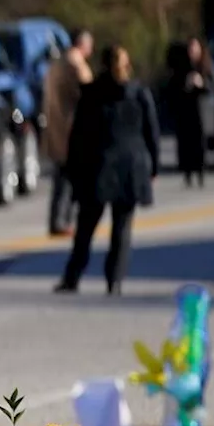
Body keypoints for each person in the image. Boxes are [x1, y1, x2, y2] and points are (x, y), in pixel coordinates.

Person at [54, 45, 159, 297]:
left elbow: (78, 136)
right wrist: (153, 166)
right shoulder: (139, 94)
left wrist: (72, 168)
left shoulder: (91, 95)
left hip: (97, 167)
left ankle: (73, 277)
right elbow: (151, 133)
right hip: (131, 168)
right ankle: (115, 281)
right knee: (122, 229)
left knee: (86, 227)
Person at [42, 28, 94, 236]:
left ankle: (58, 219)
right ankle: (63, 220)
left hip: (57, 127)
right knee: (70, 180)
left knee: (62, 178)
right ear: (83, 44)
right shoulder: (75, 64)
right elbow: (89, 94)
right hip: (72, 129)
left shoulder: (57, 63)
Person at [168, 36, 214, 188]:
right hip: (186, 110)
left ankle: (201, 172)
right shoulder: (182, 67)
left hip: (202, 110)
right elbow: (173, 88)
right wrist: (186, 83)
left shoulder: (206, 66)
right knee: (186, 143)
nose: (193, 51)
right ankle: (187, 172)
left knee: (200, 143)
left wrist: (202, 83)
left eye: (195, 48)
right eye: (190, 49)